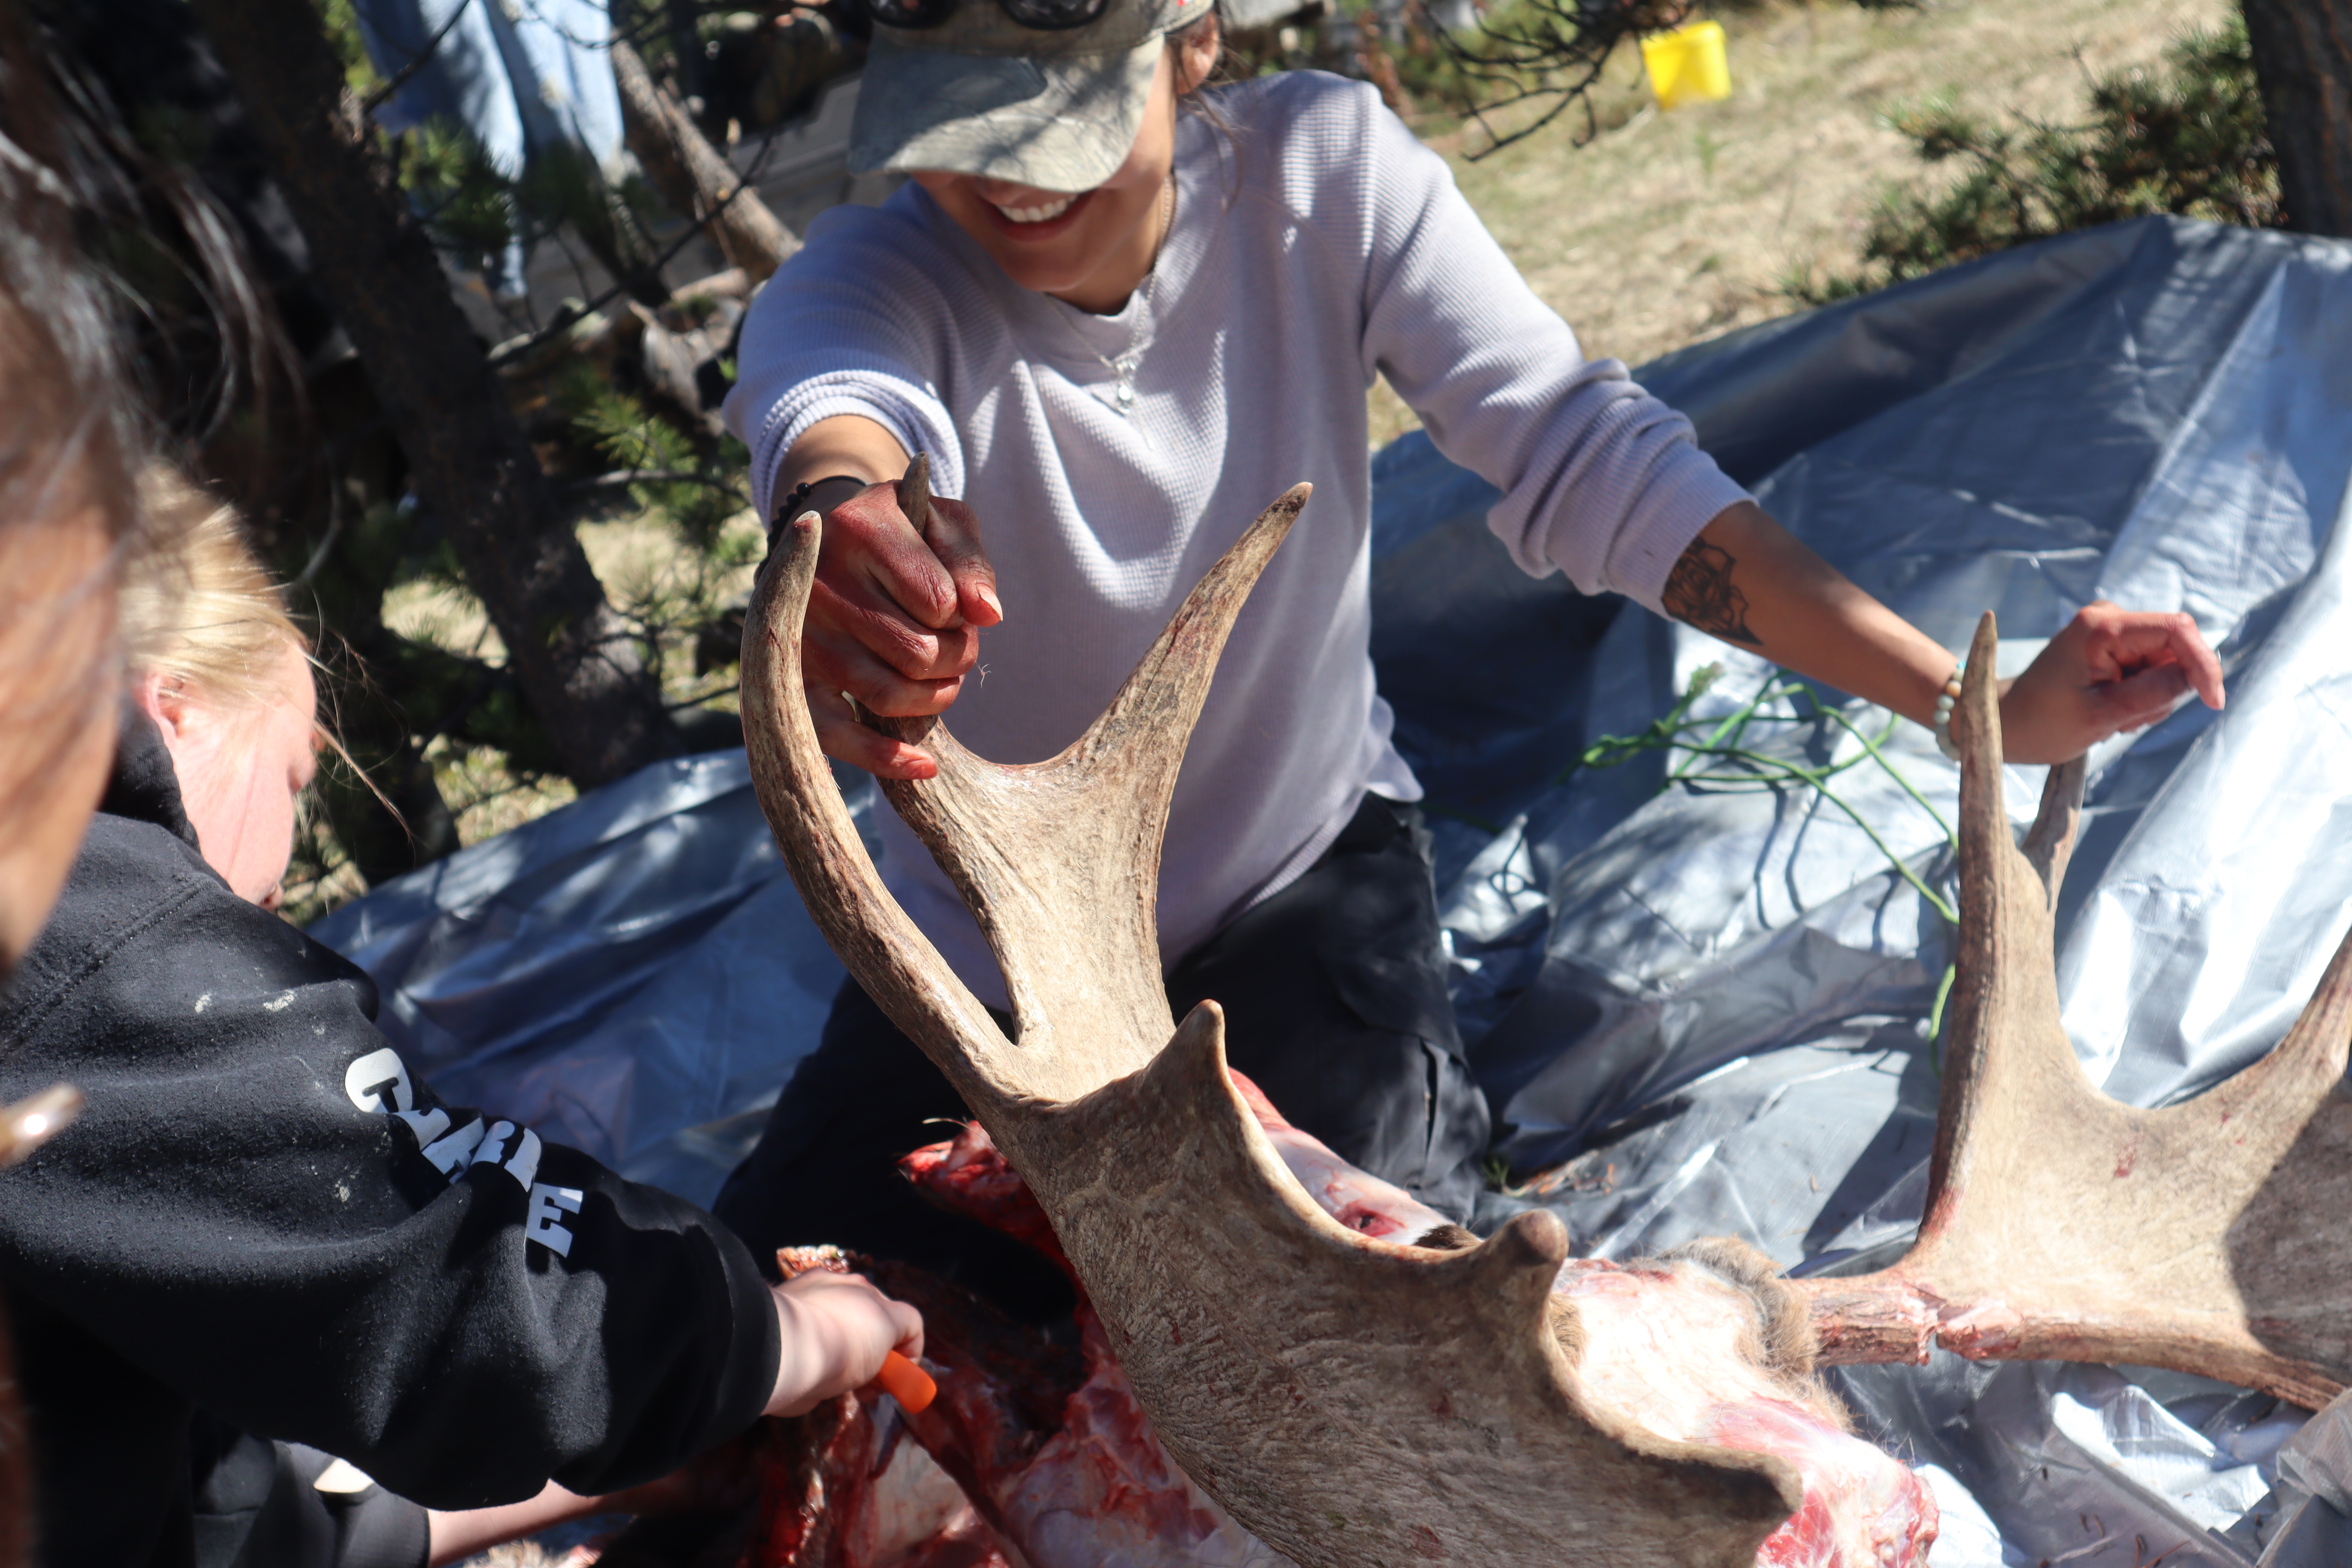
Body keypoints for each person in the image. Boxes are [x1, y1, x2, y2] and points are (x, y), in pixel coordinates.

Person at [709, 0, 2227, 1320]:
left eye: (1059, 119)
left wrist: (1976, 710)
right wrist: (850, 527)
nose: (1005, 178)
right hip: (990, 972)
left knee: (1410, 1330)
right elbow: (836, 406)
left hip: (1292, 898)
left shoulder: (1323, 183)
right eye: (961, 125)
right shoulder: (878, 279)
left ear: (1196, 43)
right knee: (771, 1342)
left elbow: (1592, 461)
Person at [0, 476, 925, 1568]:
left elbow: (214, 1515)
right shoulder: (76, 930)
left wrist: (645, 1468)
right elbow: (451, 1274)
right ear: (172, 701)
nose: (280, 883)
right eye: (296, 772)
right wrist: (782, 1339)